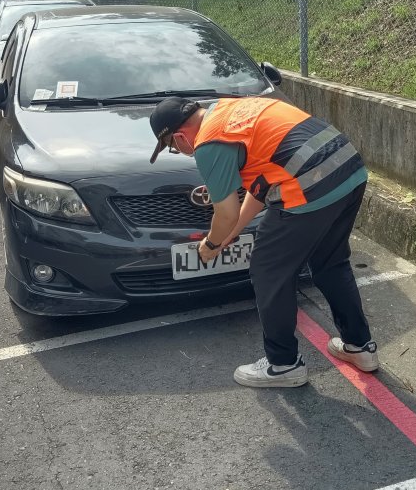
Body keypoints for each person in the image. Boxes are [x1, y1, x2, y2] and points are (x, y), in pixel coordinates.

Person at [148, 95, 379, 388]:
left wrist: (211, 244)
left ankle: (283, 365)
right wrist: (231, 233)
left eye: (173, 148)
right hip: (349, 169)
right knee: (330, 262)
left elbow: (225, 211)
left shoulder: (208, 142)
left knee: (268, 271)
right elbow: (261, 186)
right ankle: (360, 347)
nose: (181, 152)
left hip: (309, 186)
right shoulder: (233, 110)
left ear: (180, 136)